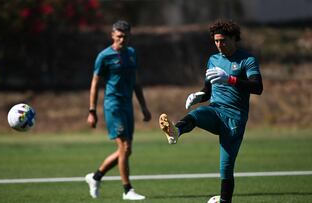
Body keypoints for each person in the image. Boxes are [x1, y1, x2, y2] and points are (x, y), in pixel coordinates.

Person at [159, 19, 263, 203]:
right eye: (216, 41)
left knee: (226, 168)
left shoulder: (247, 60)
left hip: (235, 119)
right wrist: (199, 95)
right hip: (215, 110)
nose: (219, 45)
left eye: (223, 40)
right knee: (197, 114)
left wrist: (230, 79)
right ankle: (176, 131)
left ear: (233, 38)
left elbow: (257, 87)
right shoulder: (213, 59)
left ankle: (224, 201)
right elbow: (208, 89)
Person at [85, 20, 151, 200]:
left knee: (126, 150)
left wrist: (143, 106)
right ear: (112, 35)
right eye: (119, 36)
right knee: (125, 147)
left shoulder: (131, 54)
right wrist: (92, 110)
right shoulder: (104, 56)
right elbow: (95, 83)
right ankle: (127, 190)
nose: (122, 39)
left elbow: (136, 81)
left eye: (126, 36)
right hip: (113, 105)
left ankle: (96, 177)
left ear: (130, 36)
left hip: (127, 105)